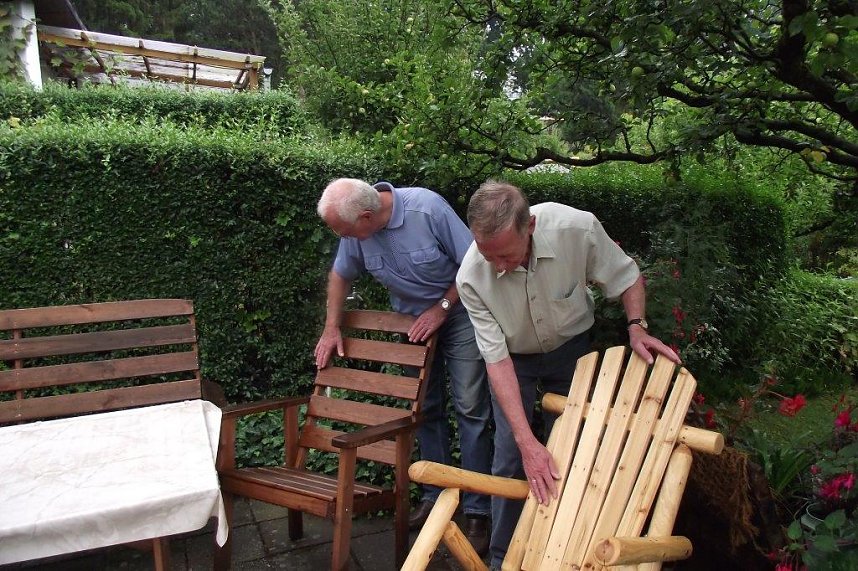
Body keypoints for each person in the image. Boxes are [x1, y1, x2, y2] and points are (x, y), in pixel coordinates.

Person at [455, 180, 681, 568]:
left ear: (531, 226)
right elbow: (497, 362)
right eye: (488, 255)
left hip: (572, 351)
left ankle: (563, 554)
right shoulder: (472, 277)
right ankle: (503, 558)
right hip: (514, 361)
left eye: (505, 255)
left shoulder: (576, 229)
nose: (498, 267)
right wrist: (528, 443)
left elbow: (626, 277)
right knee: (512, 455)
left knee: (574, 453)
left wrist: (637, 326)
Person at [314, 178, 493, 554]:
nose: (342, 237)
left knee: (470, 408)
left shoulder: (427, 209)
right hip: (412, 323)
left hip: (458, 314)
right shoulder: (356, 231)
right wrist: (331, 327)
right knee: (424, 410)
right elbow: (340, 274)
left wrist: (442, 309)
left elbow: (474, 264)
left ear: (366, 216)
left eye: (344, 230)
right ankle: (435, 498)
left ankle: (478, 508)